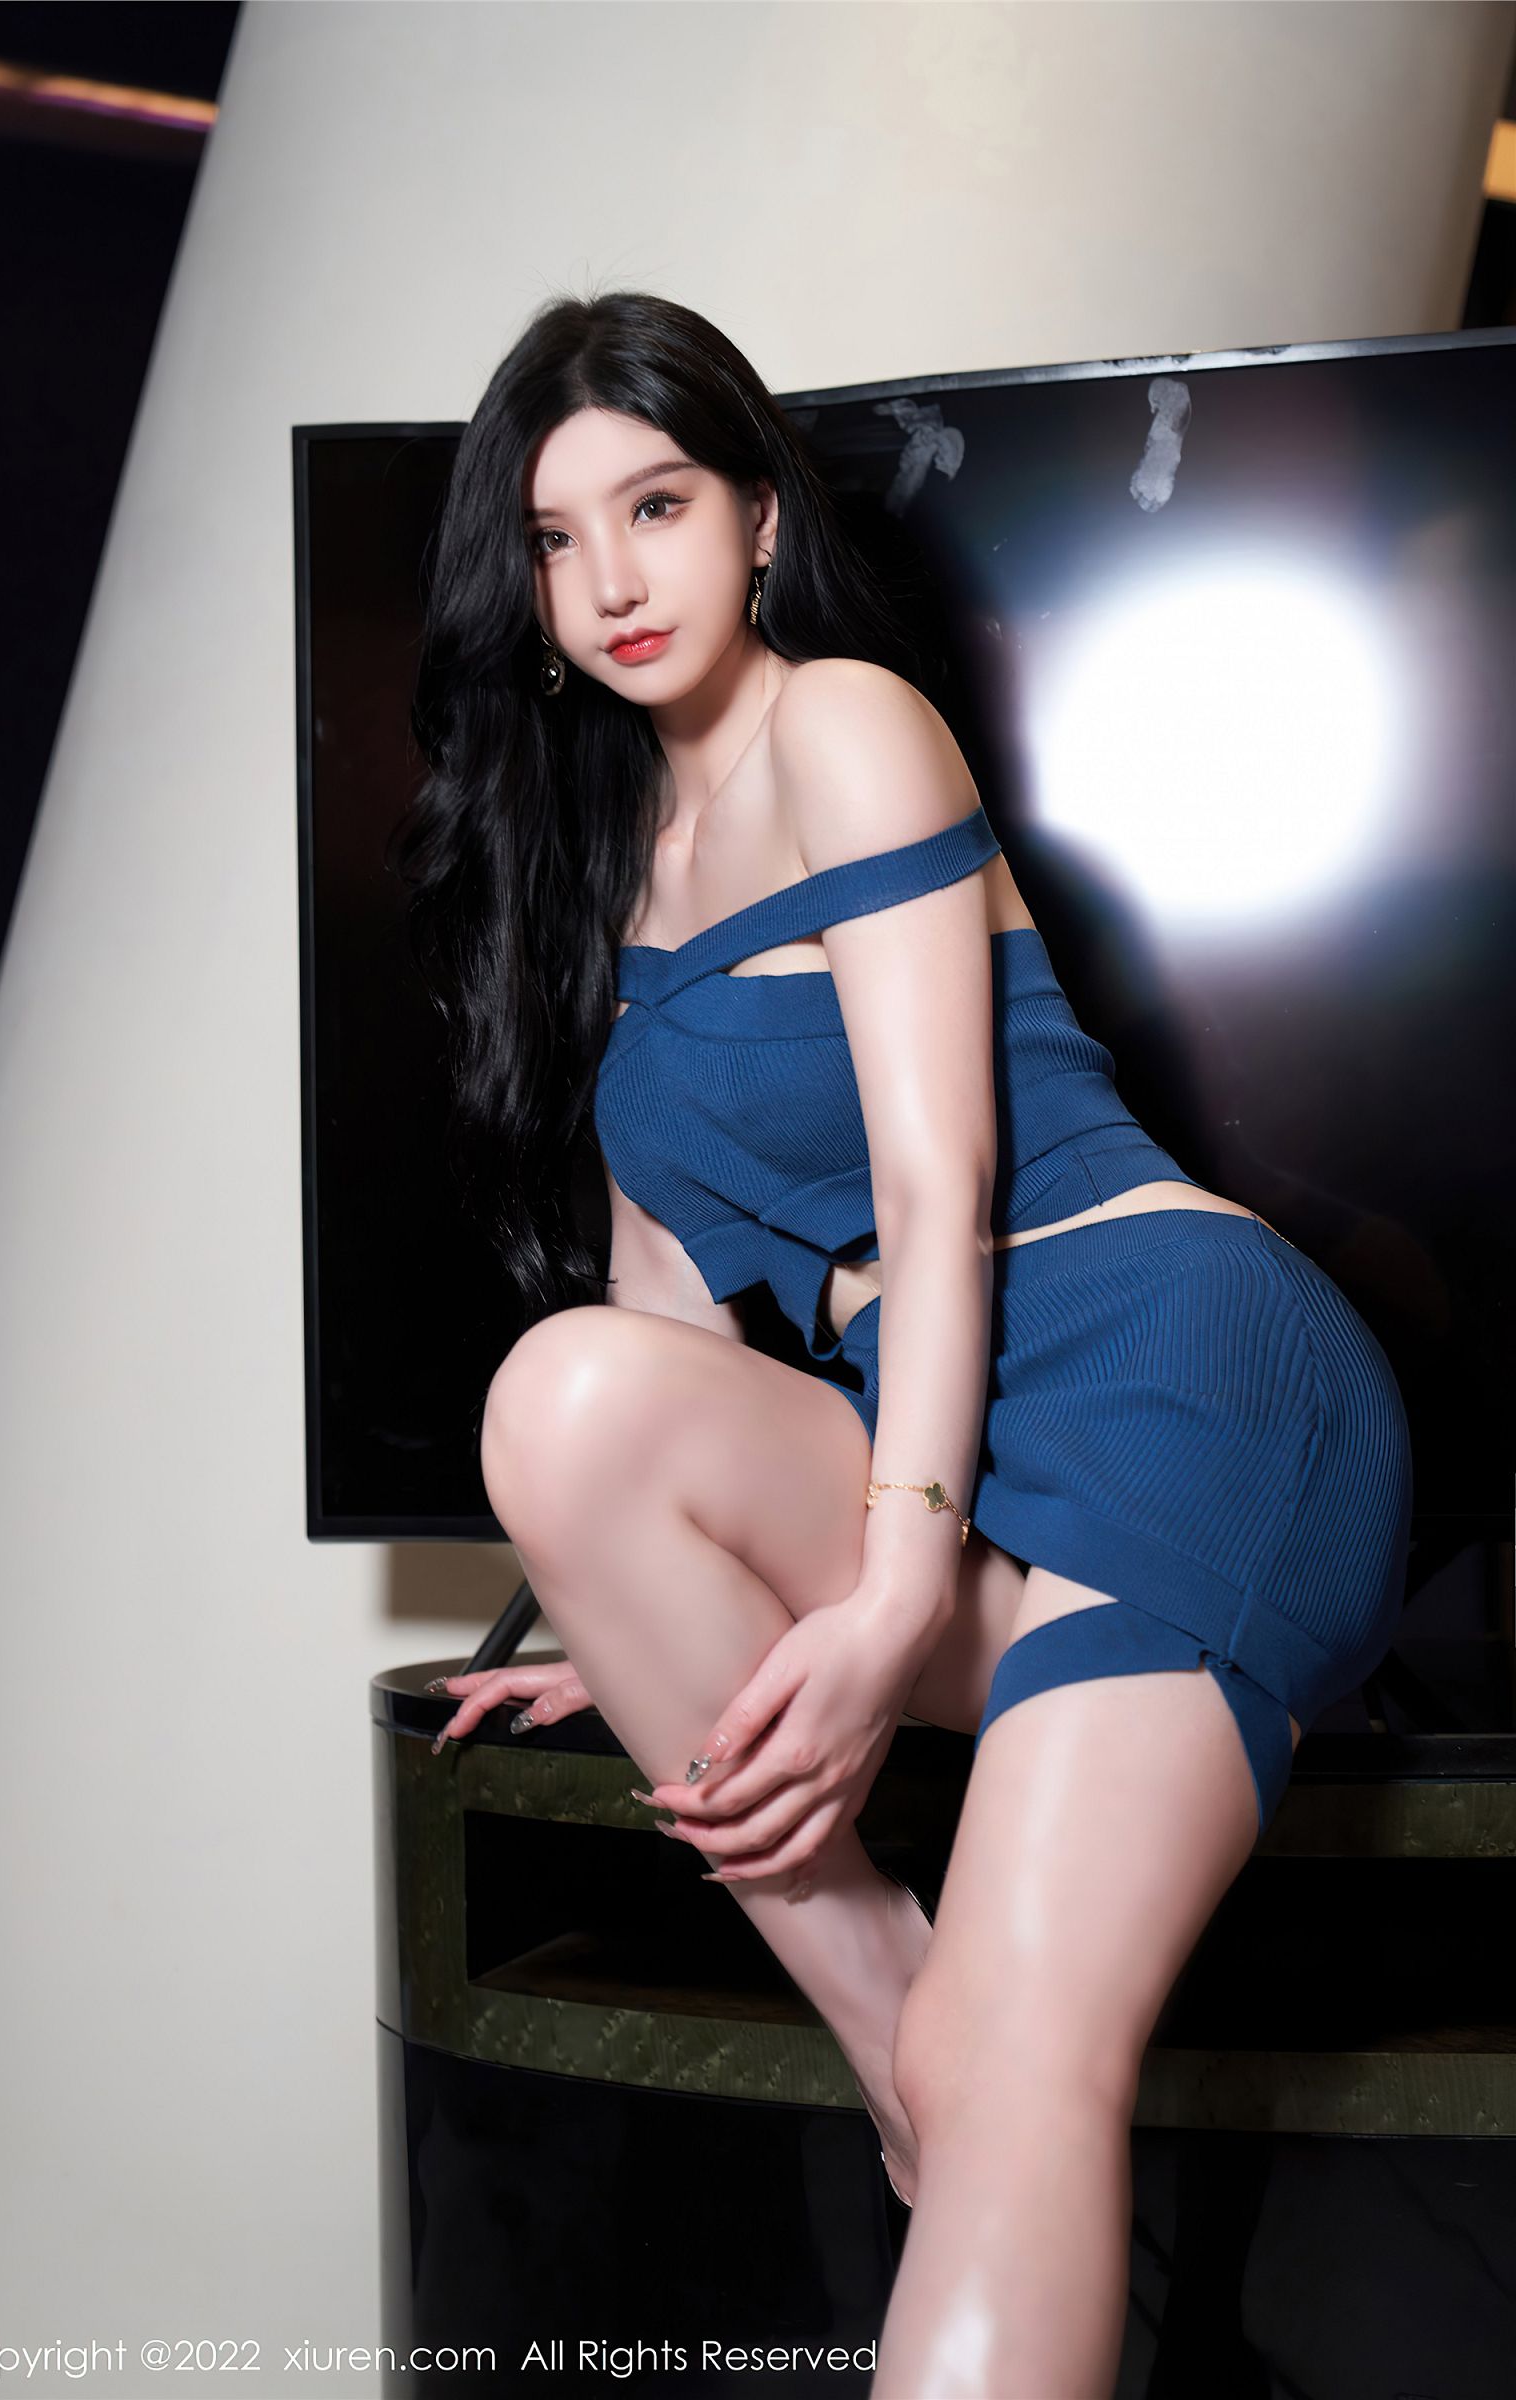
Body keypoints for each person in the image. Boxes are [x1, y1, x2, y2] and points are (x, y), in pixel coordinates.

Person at [398, 290, 1412, 2398]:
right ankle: (906, 2068)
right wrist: (631, 1613)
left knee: (1017, 2052)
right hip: (946, 1456)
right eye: (557, 539)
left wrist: (879, 1595)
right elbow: (662, 1329)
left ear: (758, 517)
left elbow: (940, 1195)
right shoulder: (614, 874)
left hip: (1176, 1384)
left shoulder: (843, 726)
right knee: (553, 1397)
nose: (611, 579)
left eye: (656, 507)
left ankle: (950, 2091)